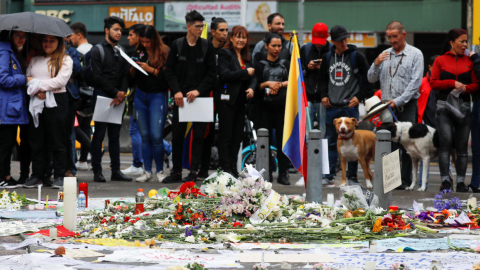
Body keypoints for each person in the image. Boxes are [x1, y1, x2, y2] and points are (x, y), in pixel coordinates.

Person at [367, 21, 424, 190]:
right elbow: (370, 79)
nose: (392, 40)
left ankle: (405, 181)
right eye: (389, 37)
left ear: (403, 34)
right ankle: (390, 180)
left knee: (407, 145)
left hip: (406, 105)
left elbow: (415, 83)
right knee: (388, 143)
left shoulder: (415, 54)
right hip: (387, 107)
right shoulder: (384, 54)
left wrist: (397, 101)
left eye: (395, 36)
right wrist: (376, 63)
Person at [164, 10, 217, 183]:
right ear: (188, 26)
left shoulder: (207, 46)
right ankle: (176, 171)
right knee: (177, 135)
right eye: (197, 26)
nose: (201, 29)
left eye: (202, 26)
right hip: (181, 99)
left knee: (199, 137)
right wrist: (177, 91)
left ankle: (193, 171)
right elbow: (169, 71)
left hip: (200, 99)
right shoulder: (177, 45)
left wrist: (198, 91)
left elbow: (211, 74)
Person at [319, 25, 373, 187]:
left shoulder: (357, 56)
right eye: (340, 40)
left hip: (350, 106)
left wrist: (360, 97)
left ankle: (352, 177)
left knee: (352, 142)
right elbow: (321, 80)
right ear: (333, 41)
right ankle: (328, 175)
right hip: (332, 107)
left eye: (345, 39)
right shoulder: (328, 57)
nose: (344, 42)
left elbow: (369, 80)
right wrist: (323, 95)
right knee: (330, 140)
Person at [430, 28, 479, 193]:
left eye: (466, 41)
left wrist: (466, 89)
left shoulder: (469, 60)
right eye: (461, 41)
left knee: (463, 148)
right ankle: (445, 182)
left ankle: (460, 183)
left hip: (464, 107)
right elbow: (433, 82)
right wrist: (453, 83)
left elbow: (476, 84)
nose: (465, 44)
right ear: (451, 43)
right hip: (444, 107)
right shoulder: (440, 60)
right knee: (445, 145)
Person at [24, 35, 73, 189]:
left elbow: (60, 81)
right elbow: (26, 78)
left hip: (57, 102)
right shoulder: (35, 59)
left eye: (52, 40)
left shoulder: (65, 59)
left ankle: (59, 175)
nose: (47, 43)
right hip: (36, 101)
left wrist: (37, 85)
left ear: (59, 42)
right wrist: (37, 88)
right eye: (45, 40)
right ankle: (38, 175)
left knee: (58, 140)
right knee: (37, 140)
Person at [90, 16, 132, 183]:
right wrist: (116, 92)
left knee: (115, 136)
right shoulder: (97, 50)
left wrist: (122, 93)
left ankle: (116, 171)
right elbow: (97, 76)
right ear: (106, 30)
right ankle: (97, 171)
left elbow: (126, 74)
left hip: (119, 99)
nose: (119, 33)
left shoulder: (122, 51)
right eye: (116, 29)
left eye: (120, 30)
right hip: (102, 97)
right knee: (99, 135)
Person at [131, 25, 169, 182]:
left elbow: (168, 77)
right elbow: (132, 77)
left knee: (156, 135)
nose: (145, 44)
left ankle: (160, 170)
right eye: (143, 41)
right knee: (144, 136)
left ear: (154, 39)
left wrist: (151, 69)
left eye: (148, 41)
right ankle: (147, 171)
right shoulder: (139, 51)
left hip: (157, 95)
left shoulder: (164, 51)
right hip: (140, 94)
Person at [217, 26, 256, 176]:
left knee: (237, 137)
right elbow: (225, 75)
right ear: (231, 38)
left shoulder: (247, 56)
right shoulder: (225, 53)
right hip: (227, 101)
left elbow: (254, 76)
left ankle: (233, 168)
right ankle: (225, 168)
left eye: (244, 37)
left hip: (242, 103)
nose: (241, 40)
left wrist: (252, 88)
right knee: (226, 136)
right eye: (237, 37)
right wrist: (245, 72)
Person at [254, 33, 290, 185]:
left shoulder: (286, 63)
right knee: (264, 141)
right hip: (263, 107)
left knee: (283, 142)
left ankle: (283, 174)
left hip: (282, 107)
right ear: (266, 46)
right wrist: (268, 84)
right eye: (273, 45)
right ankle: (266, 173)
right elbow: (255, 84)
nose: (276, 48)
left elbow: (294, 80)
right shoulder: (259, 63)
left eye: (279, 46)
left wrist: (279, 85)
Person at [196, 17, 229, 179]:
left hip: (225, 96)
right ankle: (202, 168)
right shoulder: (204, 48)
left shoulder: (229, 49)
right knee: (205, 133)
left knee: (224, 133)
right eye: (221, 30)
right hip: (206, 95)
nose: (225, 33)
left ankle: (225, 169)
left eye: (226, 30)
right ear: (213, 32)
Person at [0, 31, 29, 188]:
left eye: (24, 36)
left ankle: (6, 175)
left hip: (11, 107)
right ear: (9, 36)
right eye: (18, 35)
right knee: (5, 144)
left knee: (8, 143)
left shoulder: (11, 52)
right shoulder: (4, 52)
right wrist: (25, 78)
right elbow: (3, 79)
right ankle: (2, 177)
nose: (22, 39)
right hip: (6, 108)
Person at [121, 24, 145, 176]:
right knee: (144, 131)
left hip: (139, 96)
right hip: (138, 96)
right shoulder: (139, 52)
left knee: (135, 129)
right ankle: (168, 150)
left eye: (131, 35)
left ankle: (137, 164)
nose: (128, 37)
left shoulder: (141, 53)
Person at [300, 22, 332, 134]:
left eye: (321, 42)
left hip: (324, 99)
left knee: (324, 132)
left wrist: (325, 68)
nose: (318, 45)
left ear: (327, 36)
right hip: (307, 98)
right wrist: (308, 68)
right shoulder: (306, 49)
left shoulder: (332, 51)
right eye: (316, 41)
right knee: (306, 133)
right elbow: (299, 74)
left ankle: (323, 152)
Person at [70, 22, 93, 171]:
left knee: (76, 128)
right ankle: (84, 160)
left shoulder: (77, 52)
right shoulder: (94, 49)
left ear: (79, 35)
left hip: (79, 94)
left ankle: (91, 151)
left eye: (70, 35)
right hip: (90, 95)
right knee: (85, 127)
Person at [63, 36, 84, 177]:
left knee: (69, 135)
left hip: (69, 97)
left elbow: (78, 69)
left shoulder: (71, 51)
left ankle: (70, 169)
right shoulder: (44, 49)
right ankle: (51, 168)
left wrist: (64, 54)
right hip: (50, 96)